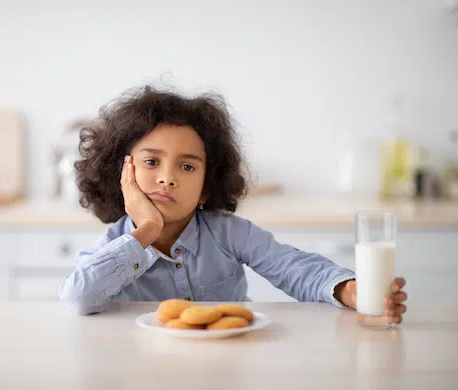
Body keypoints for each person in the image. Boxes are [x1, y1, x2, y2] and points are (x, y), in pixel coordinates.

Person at [59, 85, 407, 322]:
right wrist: (147, 230)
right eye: (151, 162)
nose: (167, 178)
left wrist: (349, 290)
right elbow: (79, 298)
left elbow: (292, 267)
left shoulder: (229, 234)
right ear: (123, 175)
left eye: (187, 166)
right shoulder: (115, 245)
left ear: (206, 187)